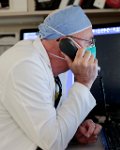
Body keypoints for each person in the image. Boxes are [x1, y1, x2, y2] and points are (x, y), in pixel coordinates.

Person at [0, 5, 102, 150]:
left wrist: (73, 130)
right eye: (89, 41)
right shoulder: (25, 66)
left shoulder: (56, 67)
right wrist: (84, 83)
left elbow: (49, 121)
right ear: (65, 44)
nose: (92, 47)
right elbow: (53, 144)